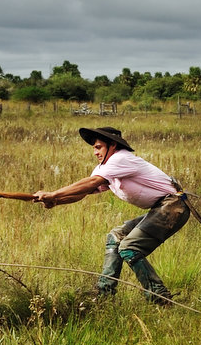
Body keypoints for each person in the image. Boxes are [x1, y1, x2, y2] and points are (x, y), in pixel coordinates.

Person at [34, 126, 192, 306]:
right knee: (115, 237)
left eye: (98, 147)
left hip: (173, 207)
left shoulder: (120, 158)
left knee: (129, 247)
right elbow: (85, 191)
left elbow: (91, 182)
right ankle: (104, 294)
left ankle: (159, 297)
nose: (95, 152)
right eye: (94, 147)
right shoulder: (107, 167)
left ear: (113, 145)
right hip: (160, 208)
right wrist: (57, 201)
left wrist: (54, 194)